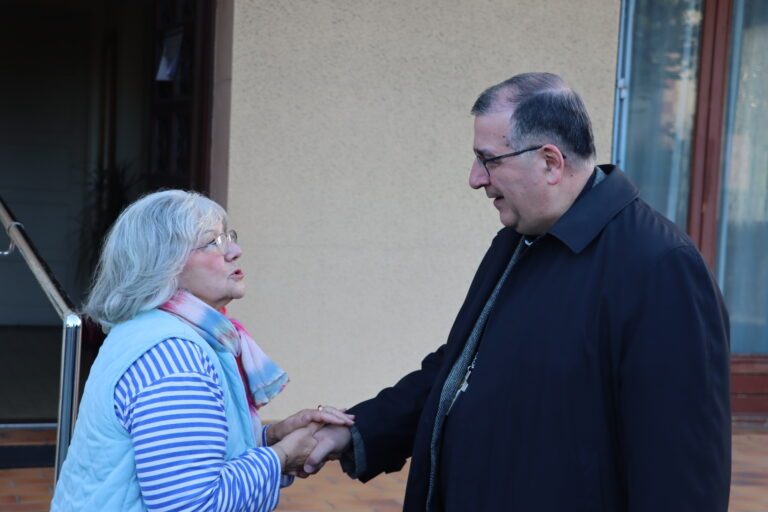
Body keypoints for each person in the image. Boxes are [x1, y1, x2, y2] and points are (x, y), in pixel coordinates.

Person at [305, 72, 731, 511]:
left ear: (550, 162)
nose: (475, 179)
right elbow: (457, 371)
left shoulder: (660, 266)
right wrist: (355, 429)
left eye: (488, 160)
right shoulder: (518, 240)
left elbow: (682, 475)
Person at [52, 190, 353, 511]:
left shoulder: (157, 330)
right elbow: (192, 503)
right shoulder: (173, 356)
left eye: (229, 237)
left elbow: (189, 463)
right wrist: (280, 457)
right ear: (163, 264)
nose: (235, 251)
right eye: (212, 242)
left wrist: (272, 438)